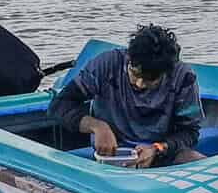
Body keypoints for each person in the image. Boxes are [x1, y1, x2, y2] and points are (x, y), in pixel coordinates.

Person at [49, 23, 204, 167]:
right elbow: (59, 105)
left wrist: (157, 148)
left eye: (151, 80)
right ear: (129, 58)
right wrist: (97, 126)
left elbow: (190, 132)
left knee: (198, 162)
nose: (139, 84)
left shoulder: (183, 78)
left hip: (160, 154)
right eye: (135, 74)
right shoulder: (107, 66)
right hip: (111, 155)